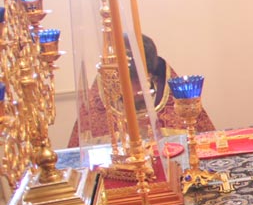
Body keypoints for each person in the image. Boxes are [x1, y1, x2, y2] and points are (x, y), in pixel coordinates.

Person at [68, 34, 215, 148]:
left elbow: (206, 144)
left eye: (139, 81)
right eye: (126, 83)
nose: (134, 91)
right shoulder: (96, 108)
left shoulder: (174, 105)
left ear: (151, 76)